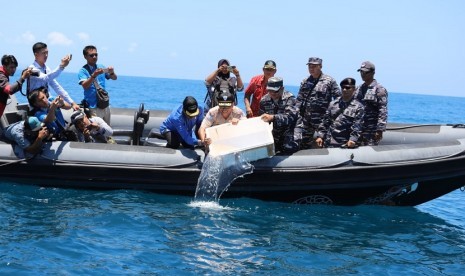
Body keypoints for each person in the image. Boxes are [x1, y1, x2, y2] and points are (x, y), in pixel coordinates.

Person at [292, 57, 341, 151]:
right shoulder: (305, 81)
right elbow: (299, 100)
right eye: (310, 66)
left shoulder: (329, 81)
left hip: (322, 120)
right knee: (303, 145)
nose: (311, 68)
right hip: (306, 120)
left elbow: (338, 99)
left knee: (323, 144)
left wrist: (333, 115)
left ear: (320, 66)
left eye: (314, 66)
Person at [315, 78, 365, 148]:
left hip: (345, 145)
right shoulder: (333, 104)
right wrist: (320, 136)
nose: (344, 90)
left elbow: (357, 126)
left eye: (347, 88)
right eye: (343, 87)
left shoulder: (358, 107)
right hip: (329, 143)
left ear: (354, 89)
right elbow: (325, 122)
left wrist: (352, 140)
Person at [28, 42, 78, 110]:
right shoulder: (32, 69)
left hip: (47, 104)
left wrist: (72, 102)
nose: (46, 55)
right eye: (43, 53)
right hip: (37, 107)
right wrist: (61, 66)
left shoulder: (46, 68)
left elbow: (56, 86)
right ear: (36, 55)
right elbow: (45, 78)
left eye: (47, 52)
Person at [78, 45, 117, 125]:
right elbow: (85, 86)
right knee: (96, 130)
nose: (94, 57)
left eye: (96, 54)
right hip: (93, 106)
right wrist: (94, 75)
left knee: (107, 130)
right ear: (85, 57)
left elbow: (114, 78)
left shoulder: (101, 67)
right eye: (91, 55)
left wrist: (112, 72)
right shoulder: (83, 71)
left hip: (104, 104)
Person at [259, 77, 298, 153]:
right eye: (270, 90)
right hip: (275, 130)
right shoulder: (264, 101)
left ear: (282, 88)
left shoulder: (290, 98)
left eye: (275, 91)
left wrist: (273, 117)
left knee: (289, 148)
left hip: (291, 129)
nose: (272, 93)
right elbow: (262, 120)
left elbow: (290, 117)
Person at [355, 61, 388, 145]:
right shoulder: (359, 88)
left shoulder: (379, 89)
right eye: (361, 72)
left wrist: (380, 129)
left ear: (373, 73)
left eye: (365, 72)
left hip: (371, 129)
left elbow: (382, 110)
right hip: (358, 128)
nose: (363, 74)